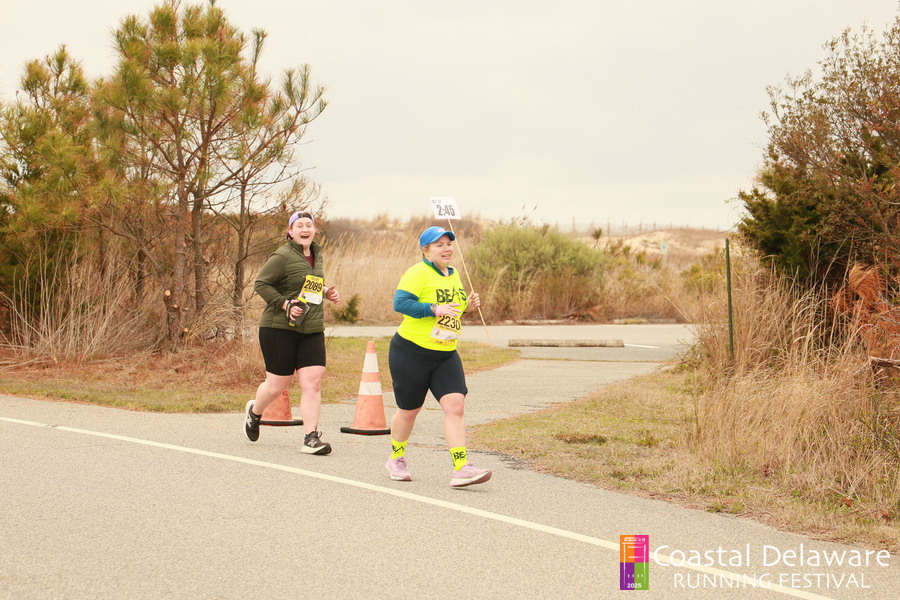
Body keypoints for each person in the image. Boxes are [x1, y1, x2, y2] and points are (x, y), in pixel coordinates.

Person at [384, 225, 492, 488]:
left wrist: (467, 305)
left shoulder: (454, 274)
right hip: (411, 351)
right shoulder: (417, 273)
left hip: (445, 353)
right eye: (439, 245)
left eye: (449, 244)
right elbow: (400, 304)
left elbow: (451, 310)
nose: (446, 249)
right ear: (426, 250)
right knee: (409, 411)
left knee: (456, 406)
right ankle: (396, 459)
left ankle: (461, 467)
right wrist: (434, 308)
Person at [244, 210, 340, 454]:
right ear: (290, 231)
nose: (305, 229)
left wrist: (326, 291)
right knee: (277, 385)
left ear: (314, 230)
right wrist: (286, 305)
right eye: (299, 226)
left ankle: (311, 437)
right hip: (279, 328)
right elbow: (261, 284)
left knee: (313, 382)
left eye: (309, 225)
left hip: (311, 327)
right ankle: (255, 412)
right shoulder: (283, 255)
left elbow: (306, 283)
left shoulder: (316, 253)